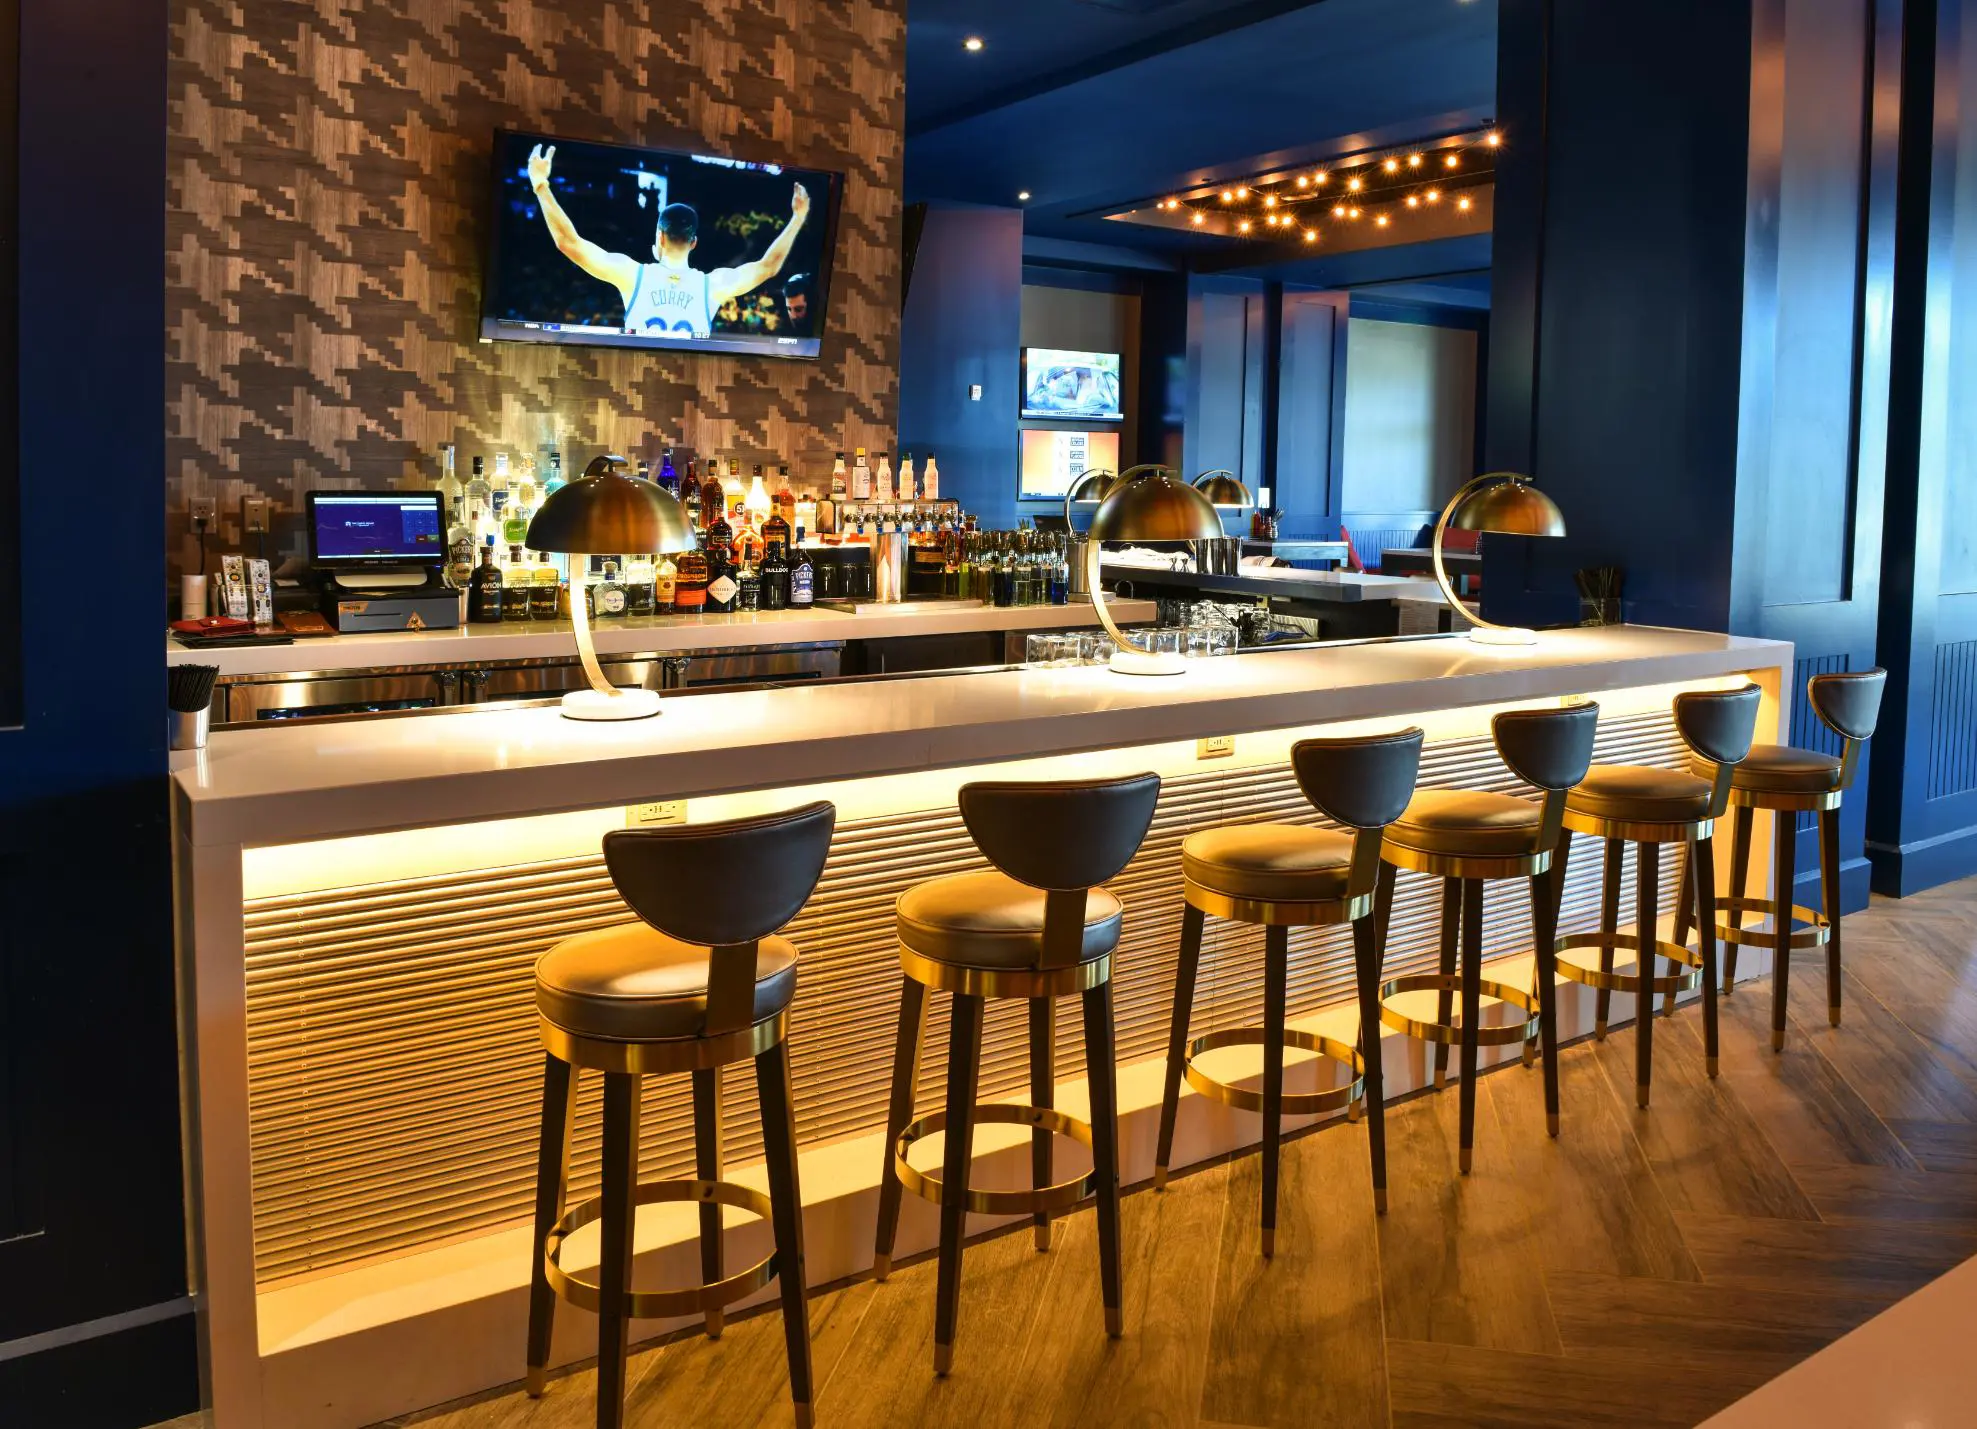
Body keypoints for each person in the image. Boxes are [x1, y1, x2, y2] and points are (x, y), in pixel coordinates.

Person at [525, 143, 810, 338]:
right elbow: (769, 266)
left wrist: (541, 185)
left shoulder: (631, 274)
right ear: (694, 242)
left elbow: (568, 243)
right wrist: (797, 218)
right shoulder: (712, 286)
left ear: (659, 237)